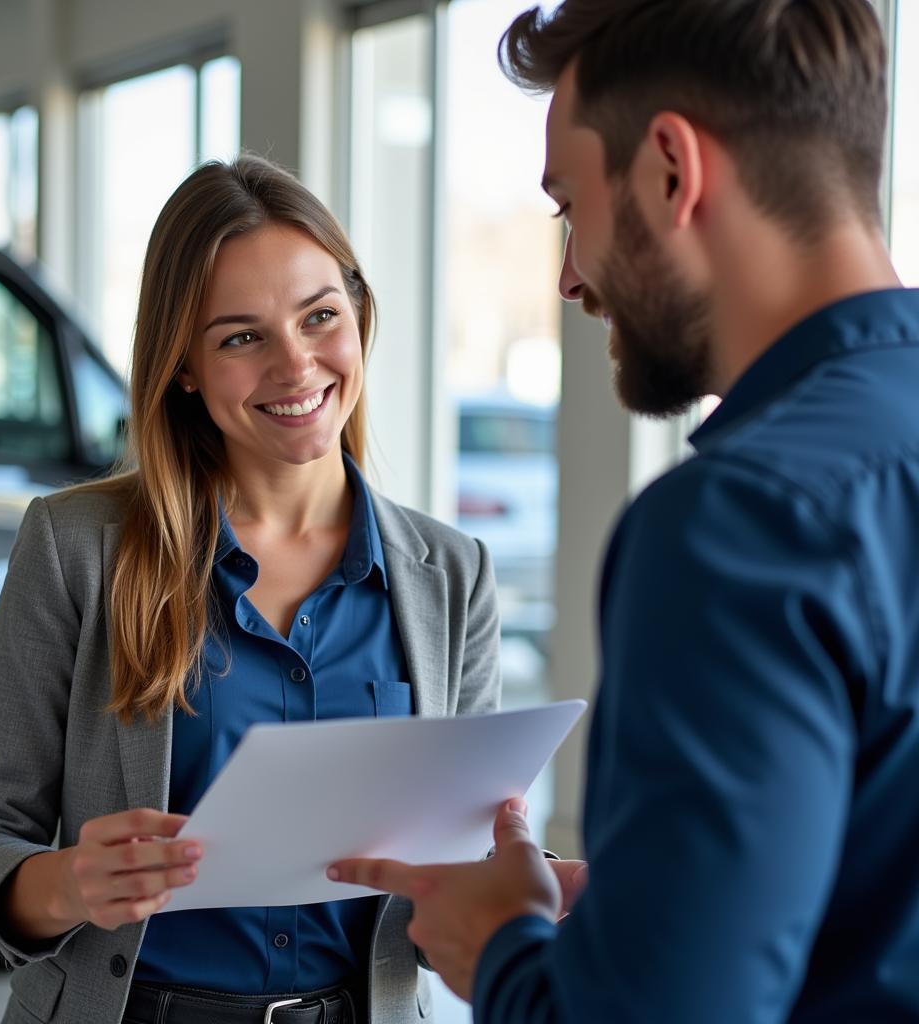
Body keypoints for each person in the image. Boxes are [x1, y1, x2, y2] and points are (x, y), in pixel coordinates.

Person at [329, 1, 919, 1021]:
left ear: (669, 170)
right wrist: (654, 907)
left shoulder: (737, 524)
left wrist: (501, 951)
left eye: (569, 206)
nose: (568, 277)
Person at [0, 155, 501, 1024]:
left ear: (360, 318)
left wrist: (514, 893)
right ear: (184, 367)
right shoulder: (77, 548)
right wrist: (67, 883)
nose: (296, 365)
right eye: (242, 337)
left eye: (320, 317)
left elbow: (434, 901)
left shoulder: (452, 579)